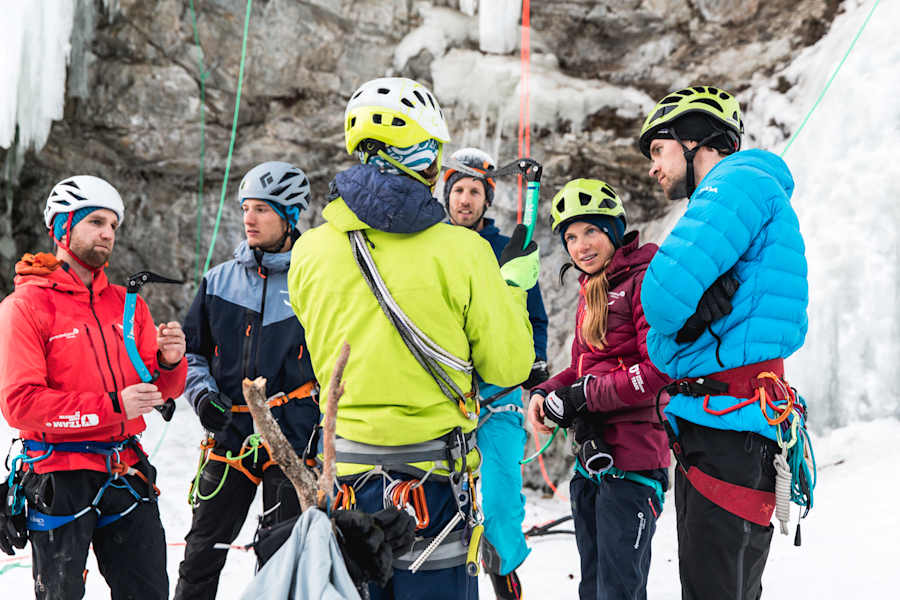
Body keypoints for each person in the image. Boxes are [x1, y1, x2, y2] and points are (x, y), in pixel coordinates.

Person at [287, 76, 538, 600]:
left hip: (346, 482)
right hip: (433, 487)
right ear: (425, 157)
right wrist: (511, 288)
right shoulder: (464, 252)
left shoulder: (310, 251)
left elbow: (320, 355)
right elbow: (508, 368)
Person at [637, 85, 808, 599]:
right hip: (746, 420)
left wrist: (676, 333)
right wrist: (677, 335)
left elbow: (661, 303)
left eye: (659, 149)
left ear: (695, 141)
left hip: (723, 425)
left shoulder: (732, 184)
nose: (653, 167)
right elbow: (663, 338)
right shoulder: (757, 192)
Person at [0, 175, 186, 599]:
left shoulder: (128, 304)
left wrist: (169, 363)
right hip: (58, 477)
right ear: (63, 227)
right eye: (96, 222)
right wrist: (112, 405)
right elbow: (20, 405)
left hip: (125, 472)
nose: (107, 233)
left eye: (114, 226)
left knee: (149, 592)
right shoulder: (25, 307)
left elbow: (160, 391)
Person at [174, 161, 321, 599]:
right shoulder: (218, 281)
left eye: (261, 209)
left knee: (278, 559)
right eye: (245, 209)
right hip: (229, 437)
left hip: (292, 440)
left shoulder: (315, 282)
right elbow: (192, 352)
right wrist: (201, 396)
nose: (248, 219)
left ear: (290, 217)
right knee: (201, 553)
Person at [526, 178, 671, 600]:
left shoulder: (644, 281)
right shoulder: (592, 291)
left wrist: (584, 396)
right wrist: (547, 391)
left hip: (635, 462)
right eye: (571, 236)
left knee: (618, 591)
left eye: (590, 230)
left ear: (612, 230)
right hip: (593, 461)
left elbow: (655, 371)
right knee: (593, 588)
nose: (581, 245)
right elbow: (580, 367)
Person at [443, 147, 550, 599]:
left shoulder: (507, 248)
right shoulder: (430, 244)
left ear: (487, 200)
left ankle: (503, 571)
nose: (465, 200)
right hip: (446, 392)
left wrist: (537, 366)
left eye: (474, 192)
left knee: (502, 500)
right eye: (458, 190)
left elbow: (535, 315)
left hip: (499, 393)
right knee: (442, 501)